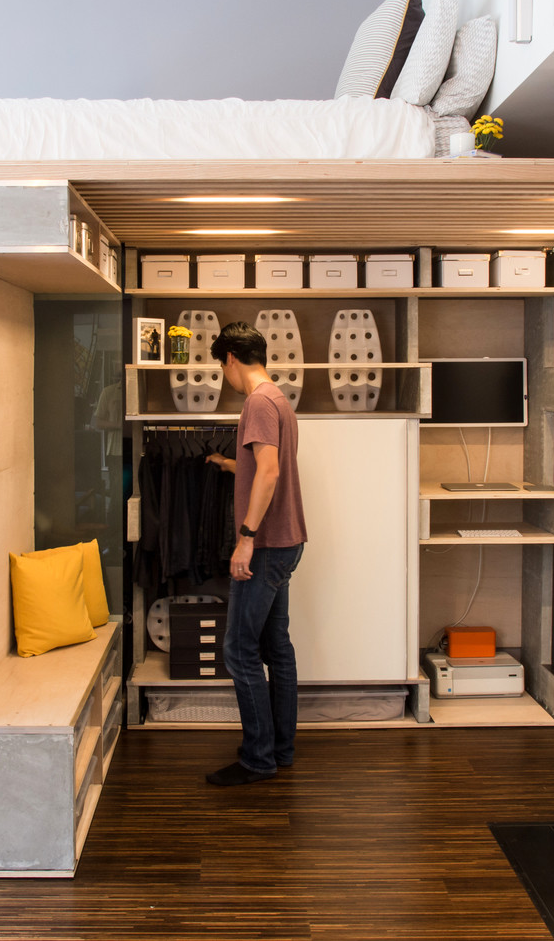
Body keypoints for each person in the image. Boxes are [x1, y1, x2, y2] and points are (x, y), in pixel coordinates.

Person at [203, 321, 306, 786]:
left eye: (220, 365)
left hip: (264, 546)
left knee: (240, 651)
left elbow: (269, 472)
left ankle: (258, 758)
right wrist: (231, 464)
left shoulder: (257, 403)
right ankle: (280, 750)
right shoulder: (278, 398)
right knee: (275, 648)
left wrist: (246, 537)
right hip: (287, 541)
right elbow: (260, 467)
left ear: (229, 359)